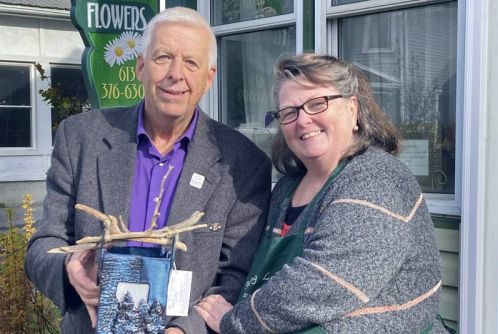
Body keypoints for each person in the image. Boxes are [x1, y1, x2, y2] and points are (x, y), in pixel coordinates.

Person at [25, 7, 271, 334]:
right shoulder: (81, 137)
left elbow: (236, 275)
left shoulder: (243, 164)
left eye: (191, 62)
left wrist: (185, 328)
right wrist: (69, 270)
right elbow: (44, 246)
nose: (175, 74)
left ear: (209, 77)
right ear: (141, 66)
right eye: (163, 57)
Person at [195, 53, 447, 333]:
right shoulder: (286, 188)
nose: (303, 121)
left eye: (317, 104)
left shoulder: (378, 180)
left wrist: (234, 321)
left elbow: (321, 284)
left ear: (352, 109)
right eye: (289, 112)